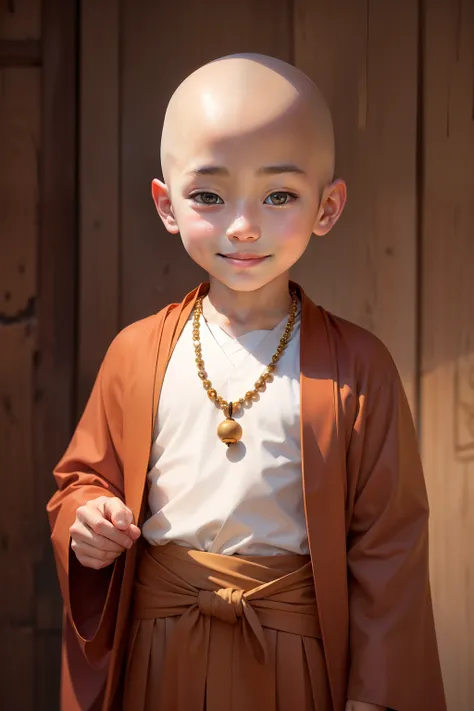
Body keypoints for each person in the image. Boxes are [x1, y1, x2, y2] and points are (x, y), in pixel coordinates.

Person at [47, 54, 446, 711]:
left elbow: (389, 547)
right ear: (166, 203)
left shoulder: (359, 367)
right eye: (209, 195)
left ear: (328, 205)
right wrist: (86, 521)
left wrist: (374, 696)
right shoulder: (136, 351)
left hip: (294, 652)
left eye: (279, 194)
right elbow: (83, 480)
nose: (243, 225)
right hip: (159, 647)